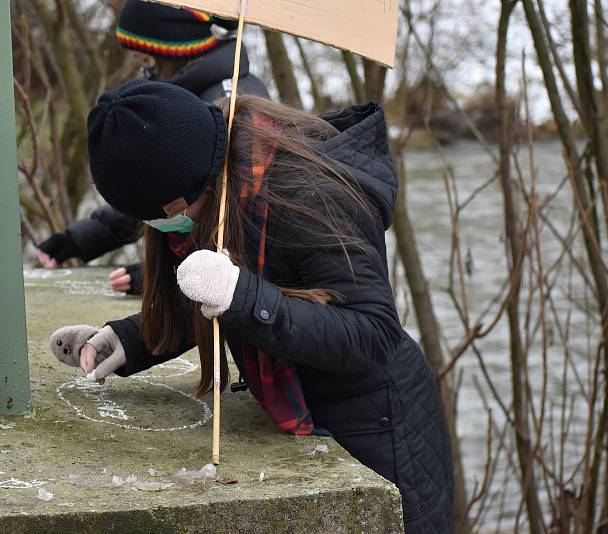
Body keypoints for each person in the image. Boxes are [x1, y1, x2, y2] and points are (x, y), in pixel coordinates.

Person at [52, 80, 454, 533]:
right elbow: (215, 297)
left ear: (183, 196)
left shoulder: (307, 193)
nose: (157, 229)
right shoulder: (222, 180)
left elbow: (372, 333)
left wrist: (241, 295)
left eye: (155, 218)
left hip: (379, 433)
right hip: (316, 408)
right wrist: (134, 338)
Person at [36, 0, 270, 295]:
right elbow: (159, 193)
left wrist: (167, 277)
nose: (144, 71)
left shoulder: (230, 105)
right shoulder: (183, 99)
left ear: (174, 51)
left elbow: (237, 216)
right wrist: (81, 239)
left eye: (147, 61)